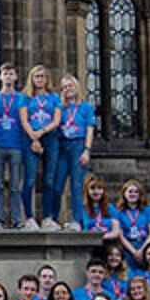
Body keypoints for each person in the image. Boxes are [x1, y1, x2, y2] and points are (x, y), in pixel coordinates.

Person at [20, 66, 61, 230]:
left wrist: (42, 132)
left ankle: (47, 217)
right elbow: (24, 120)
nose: (39, 79)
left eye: (42, 76)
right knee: (30, 179)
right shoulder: (25, 97)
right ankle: (29, 217)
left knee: (49, 180)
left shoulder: (54, 97)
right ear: (32, 79)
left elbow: (56, 120)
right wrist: (34, 137)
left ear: (47, 79)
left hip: (50, 138)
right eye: (36, 76)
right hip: (30, 139)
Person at [53, 75, 96, 230]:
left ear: (76, 87)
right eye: (64, 87)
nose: (67, 89)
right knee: (57, 185)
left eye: (70, 86)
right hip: (63, 146)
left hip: (79, 145)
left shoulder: (85, 107)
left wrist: (87, 150)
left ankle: (77, 220)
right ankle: (53, 219)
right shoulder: (60, 108)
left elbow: (90, 129)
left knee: (76, 185)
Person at [0, 63, 25, 229]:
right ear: (0, 77)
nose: (8, 77)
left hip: (16, 145)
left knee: (15, 186)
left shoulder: (21, 98)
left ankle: (17, 219)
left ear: (16, 77)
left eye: (11, 74)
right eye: (5, 73)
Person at [113, 180, 150, 270]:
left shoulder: (148, 210)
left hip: (145, 246)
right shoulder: (119, 212)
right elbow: (121, 236)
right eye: (130, 191)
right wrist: (134, 252)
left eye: (136, 192)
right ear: (124, 194)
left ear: (140, 194)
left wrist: (142, 250)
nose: (133, 194)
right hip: (128, 247)